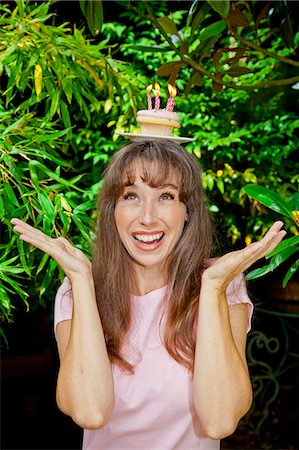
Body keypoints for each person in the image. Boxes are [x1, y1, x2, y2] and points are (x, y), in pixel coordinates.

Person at [11, 140, 286, 450]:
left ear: (187, 212)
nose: (147, 217)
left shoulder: (224, 286)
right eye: (131, 196)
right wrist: (80, 279)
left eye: (165, 196)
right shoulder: (78, 291)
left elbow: (219, 420)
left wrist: (211, 288)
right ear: (112, 210)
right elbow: (90, 412)